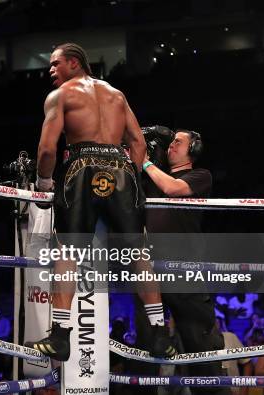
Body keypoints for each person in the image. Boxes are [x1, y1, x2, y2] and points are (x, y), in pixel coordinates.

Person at [25, 42, 173, 361]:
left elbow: (47, 150)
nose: (50, 70)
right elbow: (137, 143)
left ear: (75, 63)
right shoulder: (117, 95)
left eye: (56, 63)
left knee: (68, 250)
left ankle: (61, 336)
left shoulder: (61, 95)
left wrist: (44, 184)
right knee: (138, 251)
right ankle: (160, 332)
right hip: (121, 169)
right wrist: (127, 178)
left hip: (80, 168)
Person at [137, 128, 227, 395]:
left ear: (193, 150)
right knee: (146, 347)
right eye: (171, 142)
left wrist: (145, 162)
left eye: (179, 142)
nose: (172, 146)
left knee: (201, 348)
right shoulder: (150, 179)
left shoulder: (199, 176)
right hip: (151, 273)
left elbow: (173, 188)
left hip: (186, 271)